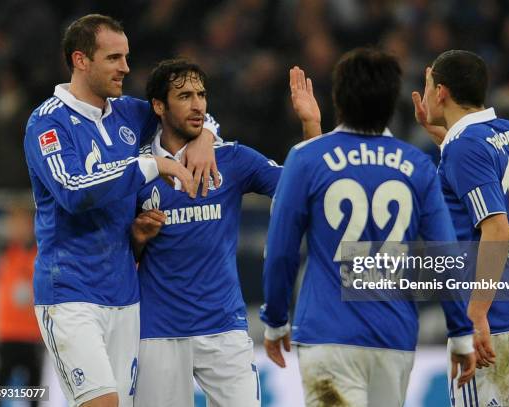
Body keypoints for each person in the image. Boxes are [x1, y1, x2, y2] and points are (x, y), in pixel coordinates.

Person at [23, 14, 221, 407]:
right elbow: (71, 190)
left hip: (125, 296)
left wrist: (207, 137)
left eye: (126, 57)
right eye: (114, 58)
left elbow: (188, 112)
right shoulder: (48, 123)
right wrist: (151, 165)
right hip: (70, 292)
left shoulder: (131, 113)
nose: (126, 68)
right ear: (81, 60)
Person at [260, 47, 475, 407]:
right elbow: (445, 255)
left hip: (327, 336)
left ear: (337, 98)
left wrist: (276, 319)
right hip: (393, 337)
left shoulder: (306, 158)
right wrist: (461, 332)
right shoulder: (417, 165)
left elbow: (281, 250)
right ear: (392, 102)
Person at [130, 58, 286, 407]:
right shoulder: (138, 171)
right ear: (158, 106)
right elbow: (116, 252)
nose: (198, 103)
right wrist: (136, 239)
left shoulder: (231, 159)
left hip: (224, 328)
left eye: (201, 94)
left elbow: (300, 187)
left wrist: (310, 126)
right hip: (158, 332)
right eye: (184, 96)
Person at [412, 49, 509, 406]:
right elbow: (478, 168)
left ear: (440, 92)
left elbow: (497, 230)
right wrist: (442, 135)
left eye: (427, 85)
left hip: (493, 318)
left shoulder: (463, 148)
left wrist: (475, 315)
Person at [0, 200, 43, 407]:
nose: (15, 228)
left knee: (35, 395)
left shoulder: (40, 255)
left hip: (32, 337)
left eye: (21, 223)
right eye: (11, 223)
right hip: (7, 335)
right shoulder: (3, 253)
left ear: (31, 225)